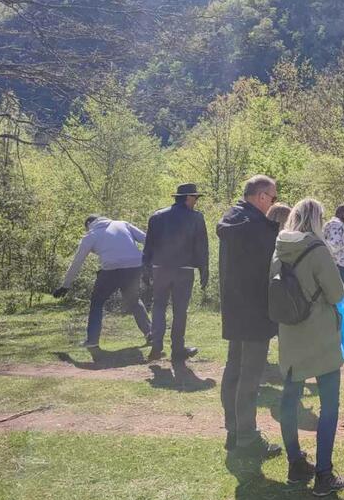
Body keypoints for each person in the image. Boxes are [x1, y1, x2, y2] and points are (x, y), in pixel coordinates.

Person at [272, 198, 344, 496]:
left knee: (289, 401)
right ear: (317, 219)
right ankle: (324, 474)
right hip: (320, 337)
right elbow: (336, 292)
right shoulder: (318, 250)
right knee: (329, 406)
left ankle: (295, 464)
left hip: (290, 335)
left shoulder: (279, 247)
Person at [217, 175, 283, 458]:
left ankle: (234, 430)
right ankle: (247, 437)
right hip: (255, 310)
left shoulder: (232, 218)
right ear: (261, 197)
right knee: (250, 376)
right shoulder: (256, 226)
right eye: (274, 197)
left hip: (235, 309)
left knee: (233, 369)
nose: (274, 203)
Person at [52, 215, 151, 348]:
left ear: (88, 225)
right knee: (133, 300)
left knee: (97, 302)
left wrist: (65, 285)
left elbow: (77, 262)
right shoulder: (123, 224)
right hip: (134, 266)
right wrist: (147, 260)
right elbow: (147, 240)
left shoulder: (91, 235)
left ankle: (92, 340)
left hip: (111, 270)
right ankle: (150, 333)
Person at [142, 183, 209, 362]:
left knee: (158, 306)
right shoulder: (196, 218)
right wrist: (204, 269)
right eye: (195, 197)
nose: (196, 201)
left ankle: (156, 346)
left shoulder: (157, 216)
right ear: (188, 198)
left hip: (160, 268)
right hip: (184, 270)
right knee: (180, 310)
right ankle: (177, 349)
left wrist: (145, 268)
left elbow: (149, 245)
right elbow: (201, 246)